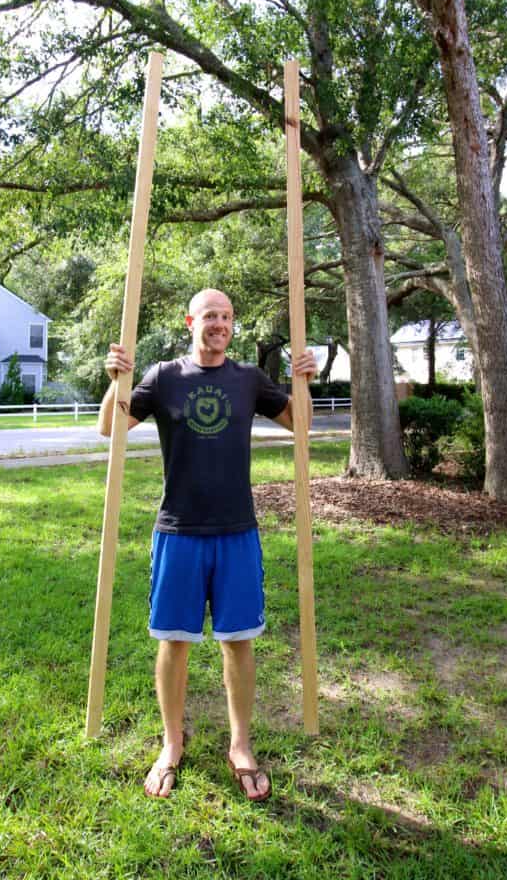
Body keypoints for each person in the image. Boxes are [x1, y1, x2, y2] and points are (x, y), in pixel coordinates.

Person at [98, 289, 316, 801]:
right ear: (190, 321)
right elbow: (111, 427)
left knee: (238, 641)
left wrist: (302, 380)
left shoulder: (247, 380)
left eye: (226, 317)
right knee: (174, 641)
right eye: (209, 316)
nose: (218, 324)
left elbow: (300, 425)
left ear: (232, 325)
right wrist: (116, 384)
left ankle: (241, 745)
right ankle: (171, 743)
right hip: (178, 530)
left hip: (237, 530)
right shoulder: (163, 377)